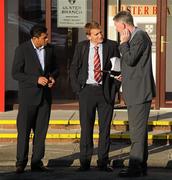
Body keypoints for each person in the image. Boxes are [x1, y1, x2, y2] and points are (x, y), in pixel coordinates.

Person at [70, 21, 121, 172]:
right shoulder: (82, 47)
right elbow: (74, 67)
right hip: (86, 91)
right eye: (96, 34)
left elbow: (118, 68)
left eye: (101, 32)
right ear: (89, 36)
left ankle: (103, 162)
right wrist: (77, 89)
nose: (100, 36)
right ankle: (84, 162)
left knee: (104, 129)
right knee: (86, 128)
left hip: (105, 92)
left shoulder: (111, 46)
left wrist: (114, 89)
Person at [113, 11, 156, 177]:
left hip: (139, 92)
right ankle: (140, 166)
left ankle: (134, 168)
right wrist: (123, 73)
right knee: (140, 132)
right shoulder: (137, 37)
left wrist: (123, 43)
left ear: (123, 25)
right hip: (136, 90)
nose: (117, 31)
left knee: (136, 134)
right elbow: (134, 64)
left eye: (117, 27)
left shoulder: (139, 36)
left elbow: (130, 59)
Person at [12, 24, 59, 173]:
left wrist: (52, 77)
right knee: (24, 132)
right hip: (28, 99)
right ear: (35, 38)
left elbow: (56, 68)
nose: (47, 40)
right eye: (44, 37)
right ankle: (21, 163)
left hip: (45, 98)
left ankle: (37, 162)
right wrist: (35, 79)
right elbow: (16, 73)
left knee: (41, 132)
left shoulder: (50, 49)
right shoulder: (22, 49)